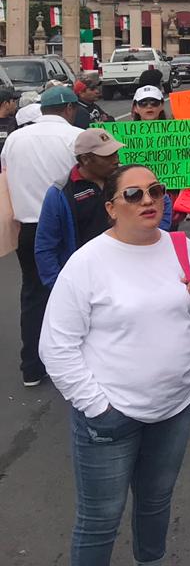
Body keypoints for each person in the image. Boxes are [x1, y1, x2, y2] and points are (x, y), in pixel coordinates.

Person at [39, 164, 190, 566]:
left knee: (156, 501)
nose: (149, 200)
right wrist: (98, 408)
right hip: (111, 417)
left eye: (155, 191)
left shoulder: (181, 247)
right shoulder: (87, 262)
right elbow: (56, 346)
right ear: (111, 208)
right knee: (100, 519)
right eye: (134, 195)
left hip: (175, 407)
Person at [3, 85, 82, 386]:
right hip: (67, 224)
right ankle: (70, 360)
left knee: (33, 293)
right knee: (74, 293)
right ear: (70, 109)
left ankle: (32, 366)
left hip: (29, 227)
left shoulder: (14, 139)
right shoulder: (73, 137)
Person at [34, 129, 127, 286]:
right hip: (88, 279)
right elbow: (46, 246)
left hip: (127, 270)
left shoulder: (127, 178)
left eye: (116, 152)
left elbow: (161, 202)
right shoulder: (59, 193)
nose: (116, 159)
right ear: (85, 159)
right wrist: (57, 285)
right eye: (107, 156)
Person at [0, 86, 19, 151]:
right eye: (13, 101)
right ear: (6, 104)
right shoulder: (12, 123)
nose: (15, 105)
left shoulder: (15, 122)